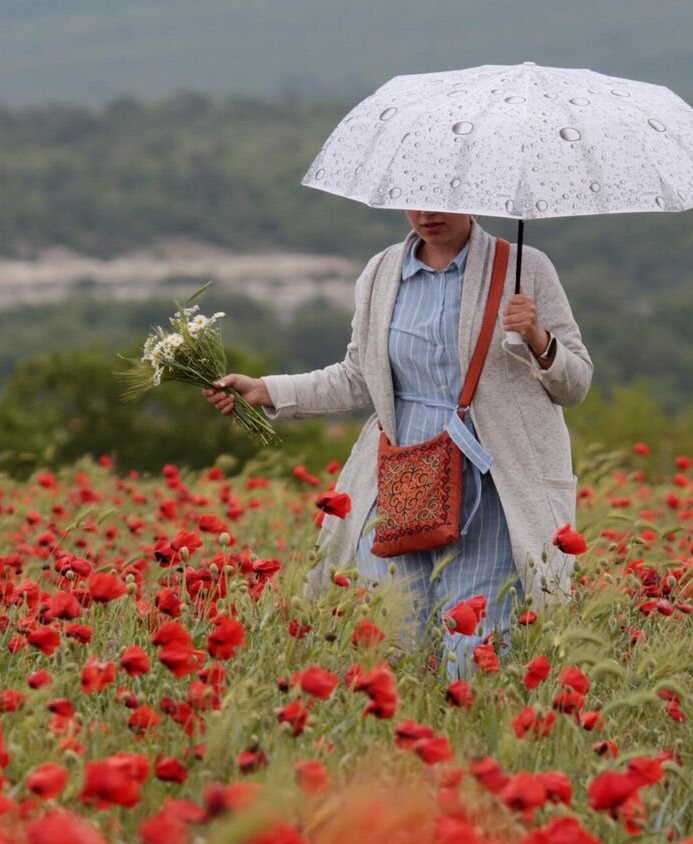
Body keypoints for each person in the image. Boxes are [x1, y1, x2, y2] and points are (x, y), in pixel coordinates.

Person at [205, 210, 591, 671]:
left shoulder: (525, 267)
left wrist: (537, 337)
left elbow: (576, 383)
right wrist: (266, 389)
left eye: (441, 199)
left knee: (472, 657)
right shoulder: (383, 272)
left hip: (490, 488)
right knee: (391, 652)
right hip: (399, 482)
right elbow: (356, 377)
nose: (427, 214)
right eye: (415, 199)